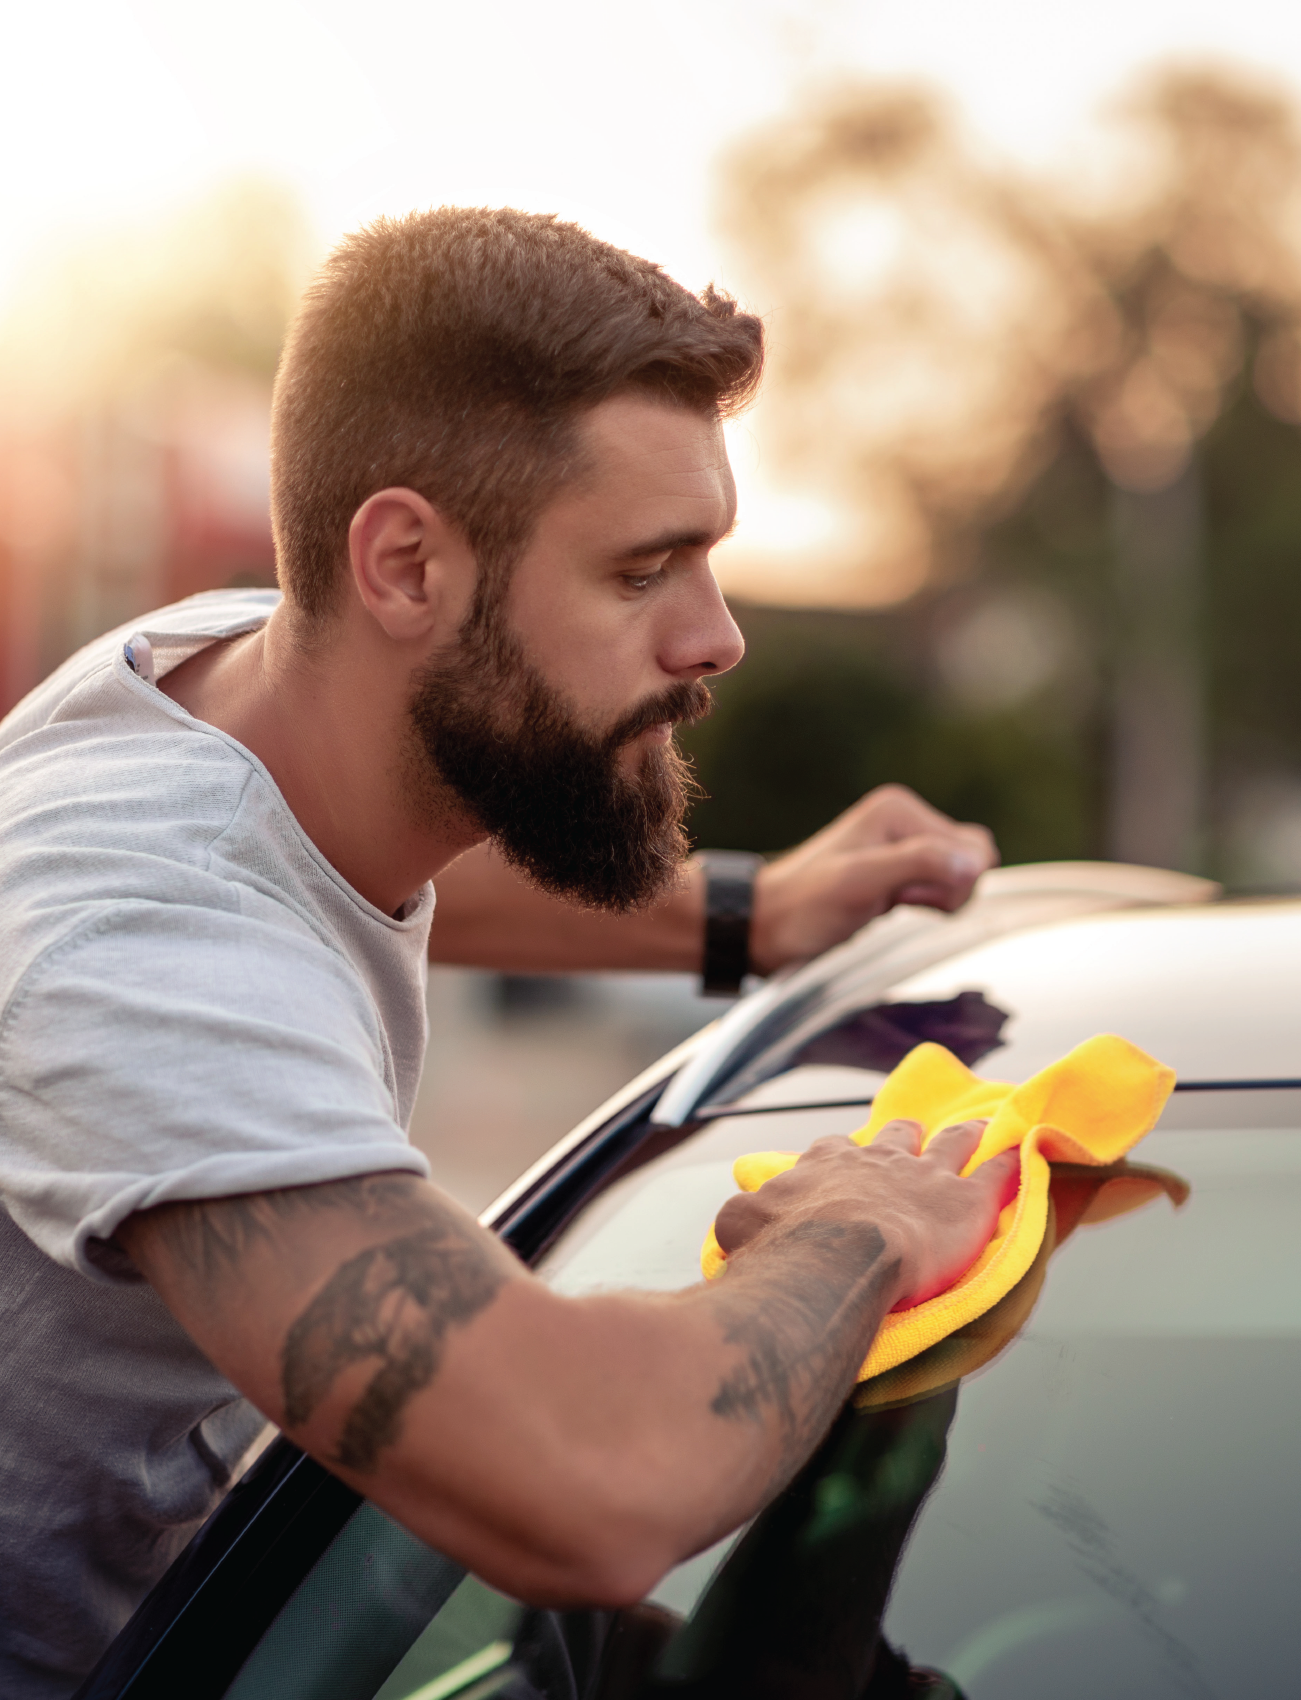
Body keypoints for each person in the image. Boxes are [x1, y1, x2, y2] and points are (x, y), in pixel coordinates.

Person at [0, 207, 1014, 1698]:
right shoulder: (143, 947)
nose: (718, 636)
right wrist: (851, 1230)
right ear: (404, 563)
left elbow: (399, 839)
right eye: (643, 569)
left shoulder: (241, 673)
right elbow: (588, 1484)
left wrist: (749, 912)